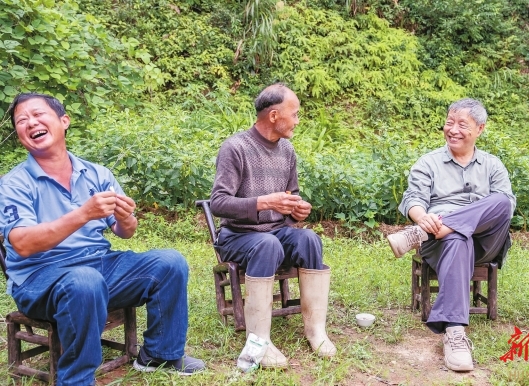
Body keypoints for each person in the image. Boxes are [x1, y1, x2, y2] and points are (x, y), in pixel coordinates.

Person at [0, 93, 205, 386]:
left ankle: (160, 354)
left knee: (170, 262)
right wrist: (83, 214)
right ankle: (76, 380)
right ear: (21, 136)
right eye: (22, 120)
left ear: (63, 121)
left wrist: (124, 217)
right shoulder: (14, 183)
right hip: (39, 279)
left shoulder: (96, 173)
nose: (31, 123)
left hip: (99, 265)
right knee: (84, 281)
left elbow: (126, 231)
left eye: (38, 115)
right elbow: (22, 243)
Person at [210, 83, 336, 368]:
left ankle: (316, 330)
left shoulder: (287, 150)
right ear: (274, 116)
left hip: (277, 232)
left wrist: (297, 210)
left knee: (310, 239)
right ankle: (259, 341)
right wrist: (264, 203)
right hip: (238, 236)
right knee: (267, 244)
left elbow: (289, 199)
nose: (298, 121)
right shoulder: (235, 147)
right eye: (295, 114)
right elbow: (218, 203)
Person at [387, 98, 515, 372]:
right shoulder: (429, 162)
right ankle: (455, 333)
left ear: (480, 129)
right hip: (442, 243)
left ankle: (421, 233)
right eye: (449, 122)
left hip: (485, 243)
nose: (453, 129)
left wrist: (440, 224)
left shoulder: (493, 165)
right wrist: (422, 218)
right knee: (457, 238)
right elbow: (414, 199)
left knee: (502, 202)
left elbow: (506, 209)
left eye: (462, 125)